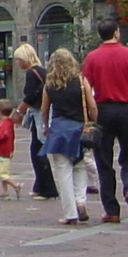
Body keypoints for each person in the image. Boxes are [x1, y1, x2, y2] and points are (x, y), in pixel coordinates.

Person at [82, 18, 128, 223]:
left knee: (103, 160)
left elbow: (86, 88)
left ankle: (111, 210)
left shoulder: (92, 57)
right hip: (127, 110)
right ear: (116, 32)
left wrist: (89, 114)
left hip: (103, 110)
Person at [39, 47, 96, 225]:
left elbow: (44, 109)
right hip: (79, 130)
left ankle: (70, 213)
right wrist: (95, 122)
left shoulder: (50, 84)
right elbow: (92, 106)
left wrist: (46, 127)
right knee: (79, 166)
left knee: (63, 172)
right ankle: (81, 201)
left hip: (59, 131)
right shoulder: (80, 80)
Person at [11, 43, 58, 200]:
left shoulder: (32, 73)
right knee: (37, 147)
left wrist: (19, 111)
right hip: (42, 111)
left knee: (37, 150)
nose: (17, 63)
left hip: (38, 112)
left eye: (18, 59)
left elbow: (31, 96)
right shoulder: (42, 71)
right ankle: (39, 185)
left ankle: (48, 188)